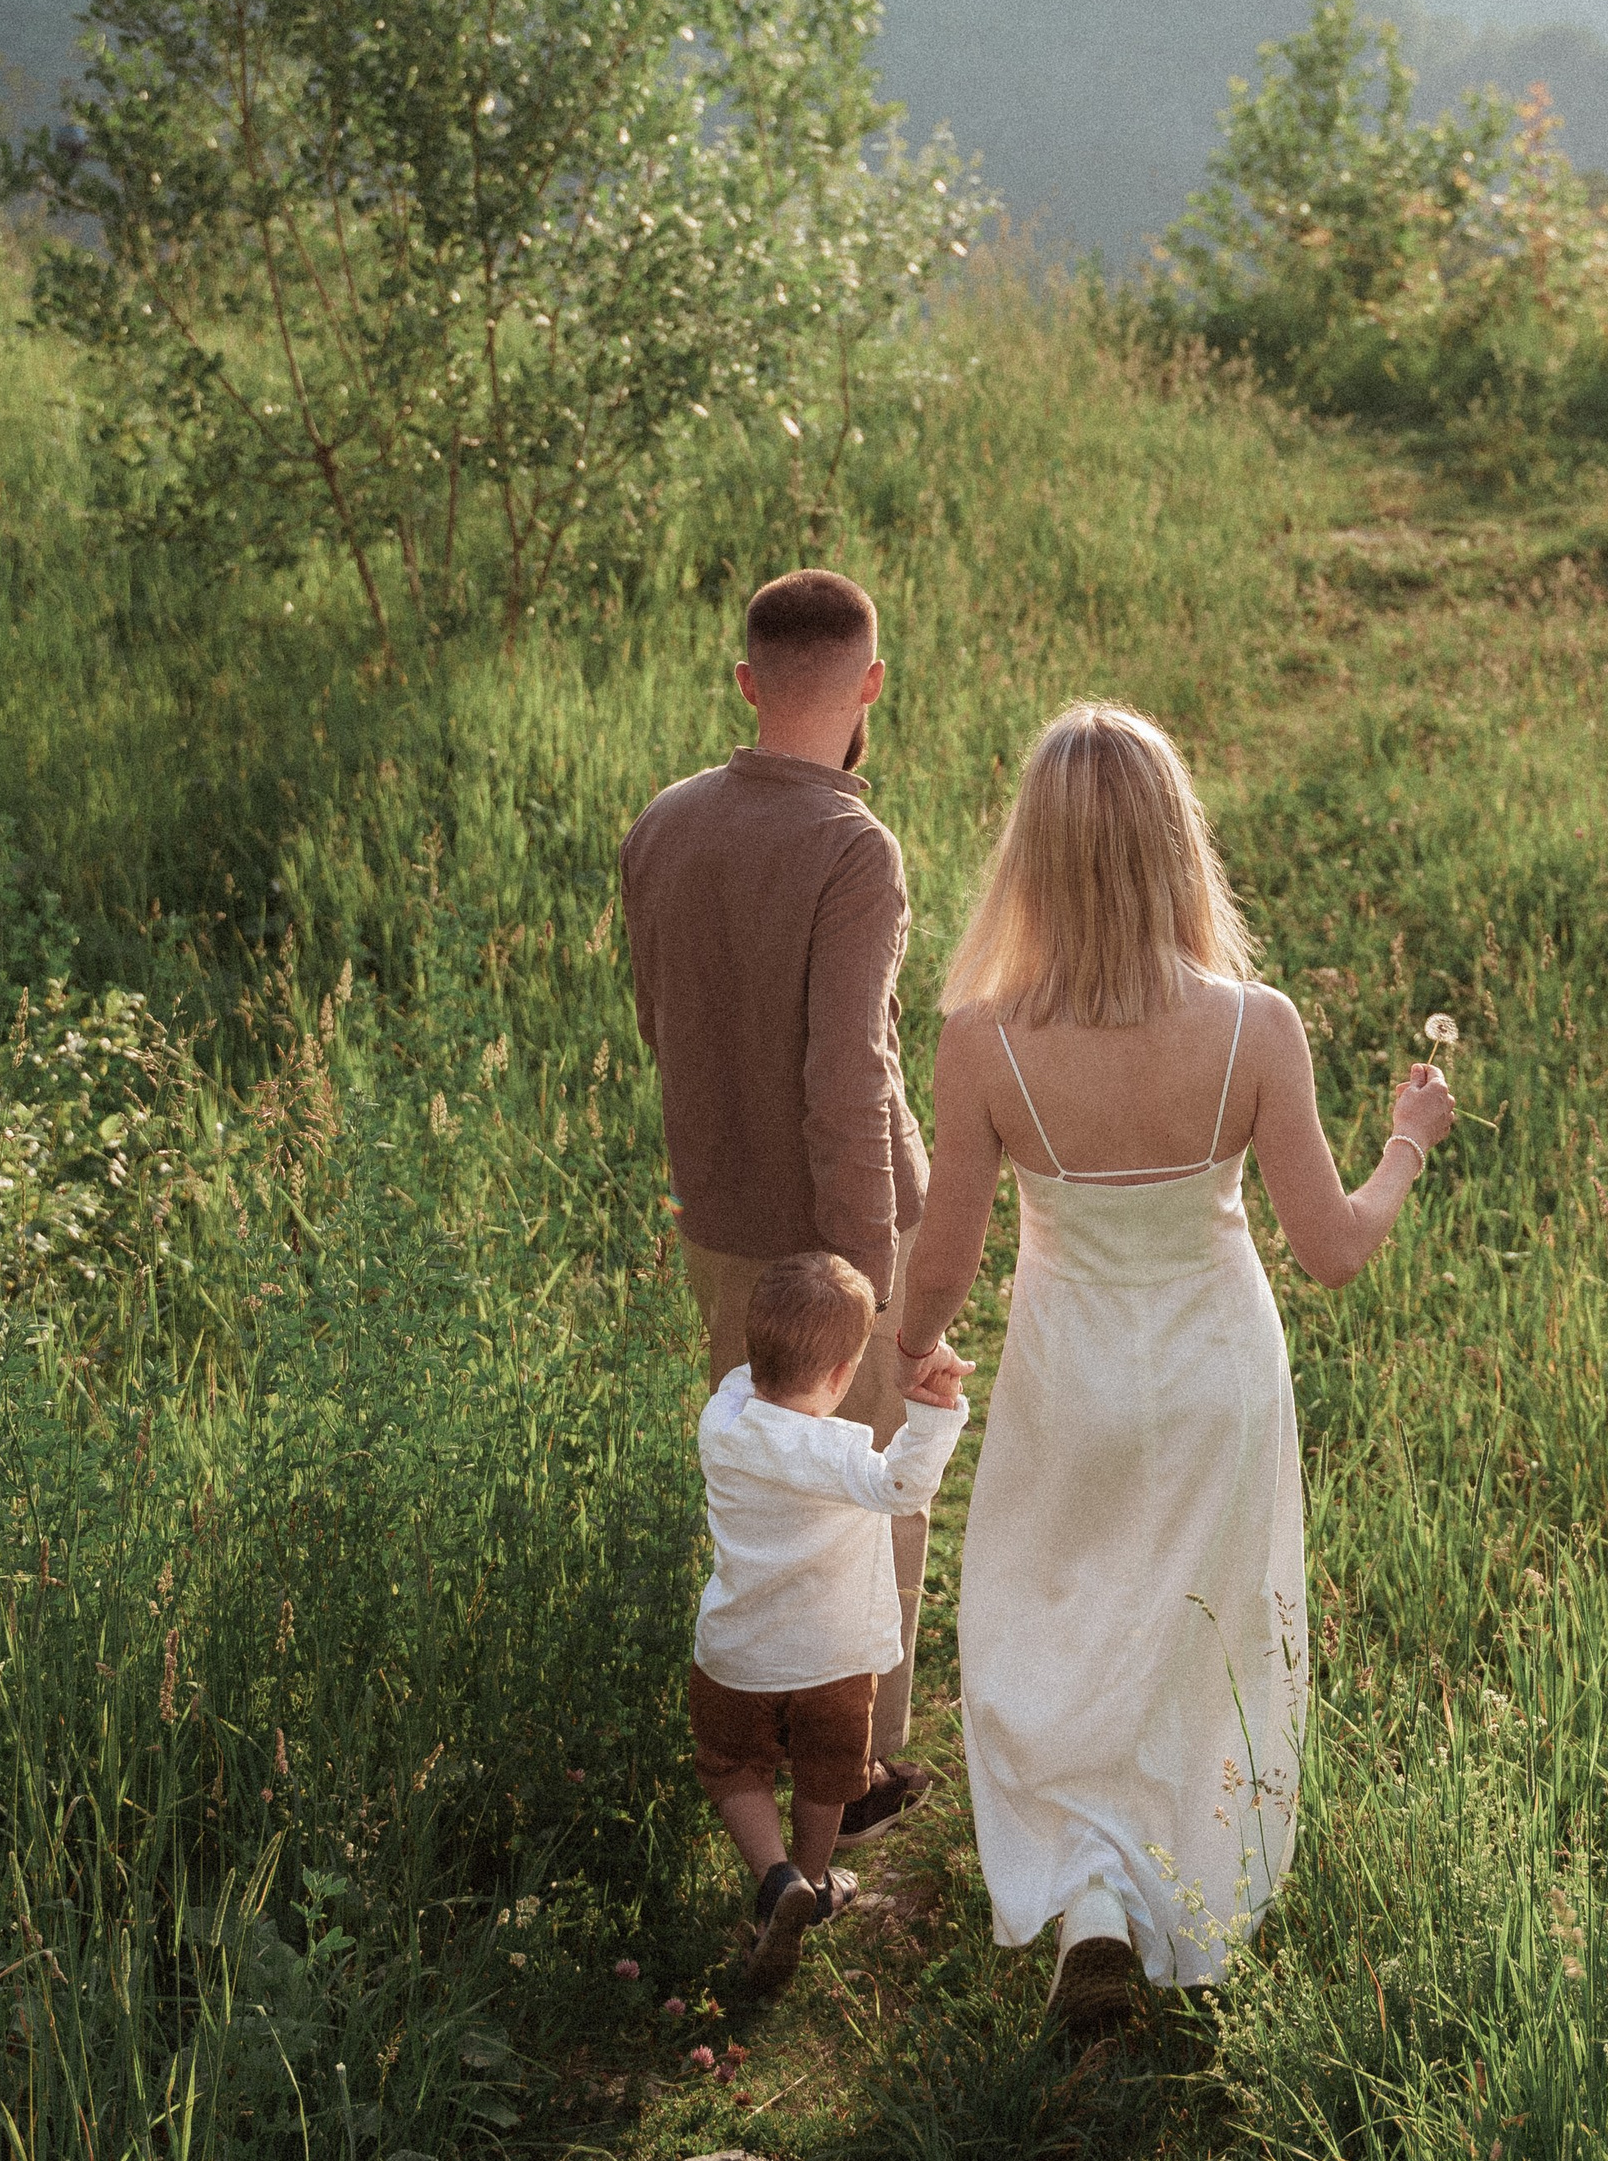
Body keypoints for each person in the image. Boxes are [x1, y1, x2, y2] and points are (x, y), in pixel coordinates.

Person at [894, 703, 1455, 2033]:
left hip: (1069, 1370)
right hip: (1216, 1368)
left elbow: (941, 1262)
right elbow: (1330, 1248)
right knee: (1199, 1642)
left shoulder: (983, 1038)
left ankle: (1089, 1896)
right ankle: (1167, 1904)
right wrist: (1408, 1143)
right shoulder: (1255, 1026)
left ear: (1032, 855)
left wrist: (905, 1353)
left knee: (1057, 1619)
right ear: (1173, 845)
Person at [619, 568, 937, 1847]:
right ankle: (848, 1777)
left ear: (746, 683)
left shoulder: (665, 820)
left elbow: (660, 1021)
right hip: (836, 1229)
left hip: (720, 1223)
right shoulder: (853, 847)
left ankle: (763, 1759)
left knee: (759, 1504)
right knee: (862, 1515)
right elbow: (851, 1070)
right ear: (871, 684)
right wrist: (865, 1264)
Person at [690, 1251, 971, 1989]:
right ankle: (812, 1882)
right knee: (826, 1774)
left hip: (740, 1651)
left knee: (733, 1765)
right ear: (845, 1376)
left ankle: (773, 1876)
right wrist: (933, 1413)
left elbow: (752, 1386)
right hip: (833, 1660)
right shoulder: (841, 1454)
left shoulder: (722, 1416)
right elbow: (900, 1485)